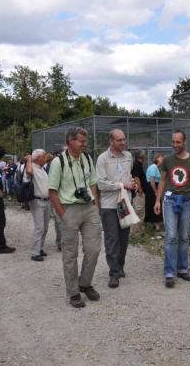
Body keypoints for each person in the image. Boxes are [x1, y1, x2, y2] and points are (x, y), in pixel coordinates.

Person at [48, 127, 102, 308]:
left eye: (85, 141)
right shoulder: (58, 162)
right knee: (70, 254)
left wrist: (95, 205)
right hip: (69, 209)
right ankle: (73, 292)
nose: (84, 144)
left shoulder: (87, 159)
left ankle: (85, 283)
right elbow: (52, 191)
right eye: (81, 140)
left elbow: (93, 182)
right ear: (70, 141)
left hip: (89, 208)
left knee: (93, 249)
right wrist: (62, 215)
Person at [154, 129, 190, 288]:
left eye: (178, 142)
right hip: (169, 200)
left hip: (187, 202)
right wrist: (157, 201)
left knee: (183, 236)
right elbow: (161, 180)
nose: (174, 144)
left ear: (184, 142)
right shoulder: (167, 160)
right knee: (171, 236)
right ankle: (169, 272)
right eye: (173, 142)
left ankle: (182, 269)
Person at [96, 129, 138, 288]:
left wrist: (131, 183)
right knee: (112, 240)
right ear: (111, 142)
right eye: (119, 140)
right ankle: (113, 274)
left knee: (124, 238)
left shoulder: (128, 156)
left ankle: (120, 266)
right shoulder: (102, 159)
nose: (123, 142)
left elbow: (128, 176)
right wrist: (123, 185)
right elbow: (101, 184)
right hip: (109, 206)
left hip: (124, 204)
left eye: (124, 139)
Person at [25, 149, 50, 262]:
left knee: (45, 227)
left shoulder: (42, 169)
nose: (45, 158)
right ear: (37, 158)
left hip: (47, 200)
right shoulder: (31, 167)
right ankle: (35, 253)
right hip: (37, 201)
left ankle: (39, 248)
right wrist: (29, 159)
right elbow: (29, 172)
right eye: (43, 156)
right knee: (39, 227)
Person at [145, 153, 164, 230]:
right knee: (155, 204)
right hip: (152, 188)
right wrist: (156, 191)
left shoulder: (156, 168)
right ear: (156, 159)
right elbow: (152, 181)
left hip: (153, 187)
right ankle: (156, 225)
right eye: (161, 157)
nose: (162, 159)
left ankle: (154, 224)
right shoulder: (153, 167)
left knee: (154, 204)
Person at [131, 150, 146, 223]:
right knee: (139, 211)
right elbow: (136, 178)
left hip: (139, 192)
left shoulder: (139, 164)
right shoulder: (137, 164)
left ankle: (138, 231)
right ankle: (135, 232)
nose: (145, 156)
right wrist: (140, 190)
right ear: (141, 156)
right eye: (144, 154)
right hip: (138, 193)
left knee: (140, 212)